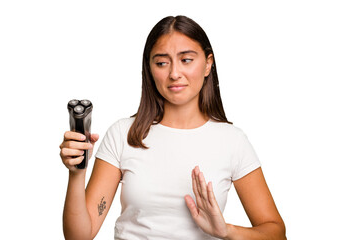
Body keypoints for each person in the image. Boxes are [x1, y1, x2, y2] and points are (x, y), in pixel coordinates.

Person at [59, 15, 286, 240]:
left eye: (186, 60)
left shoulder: (232, 141)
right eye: (161, 63)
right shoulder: (123, 134)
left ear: (208, 64)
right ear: (149, 68)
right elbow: (79, 236)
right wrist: (77, 174)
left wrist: (226, 231)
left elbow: (276, 233)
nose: (174, 73)